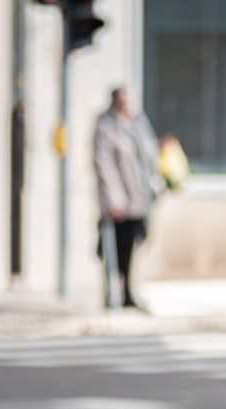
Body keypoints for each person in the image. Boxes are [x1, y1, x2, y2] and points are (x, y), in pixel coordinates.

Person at [93, 87, 159, 307]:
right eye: (123, 100)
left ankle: (128, 291)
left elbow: (149, 153)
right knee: (113, 248)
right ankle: (113, 292)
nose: (127, 104)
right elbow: (104, 164)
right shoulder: (106, 126)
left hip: (138, 198)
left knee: (133, 245)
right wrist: (114, 200)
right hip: (120, 202)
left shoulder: (138, 123)